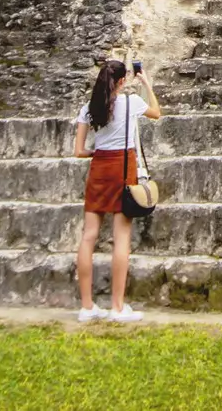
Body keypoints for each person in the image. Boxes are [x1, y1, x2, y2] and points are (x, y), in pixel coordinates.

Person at [72, 57, 162, 322]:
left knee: (89, 236)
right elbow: (156, 112)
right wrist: (145, 82)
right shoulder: (131, 103)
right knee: (121, 239)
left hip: (99, 168)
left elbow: (79, 151)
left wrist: (97, 153)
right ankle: (118, 307)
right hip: (123, 168)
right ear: (123, 81)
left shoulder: (89, 108)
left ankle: (87, 307)